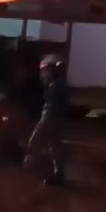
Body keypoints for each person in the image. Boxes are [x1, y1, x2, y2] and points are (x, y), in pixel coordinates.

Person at [23, 53, 68, 186]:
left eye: (45, 71)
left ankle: (38, 171)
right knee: (55, 147)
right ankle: (59, 174)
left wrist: (34, 137)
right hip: (59, 120)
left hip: (52, 120)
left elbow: (49, 111)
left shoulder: (54, 87)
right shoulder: (61, 84)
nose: (43, 75)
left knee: (51, 146)